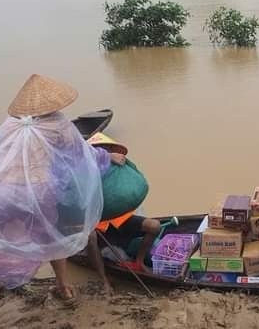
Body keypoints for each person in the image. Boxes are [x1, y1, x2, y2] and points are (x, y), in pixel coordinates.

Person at [0, 74, 123, 301]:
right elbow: (81, 156)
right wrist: (108, 157)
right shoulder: (58, 124)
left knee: (9, 237)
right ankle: (63, 287)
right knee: (52, 239)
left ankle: (6, 279)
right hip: (38, 192)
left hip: (4, 192)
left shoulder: (10, 124)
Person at [85, 132, 160, 293]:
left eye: (105, 148)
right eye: (98, 149)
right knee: (90, 237)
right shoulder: (83, 170)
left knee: (154, 226)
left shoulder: (118, 167)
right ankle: (103, 279)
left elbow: (132, 187)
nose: (102, 152)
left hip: (120, 219)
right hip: (98, 224)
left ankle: (138, 262)